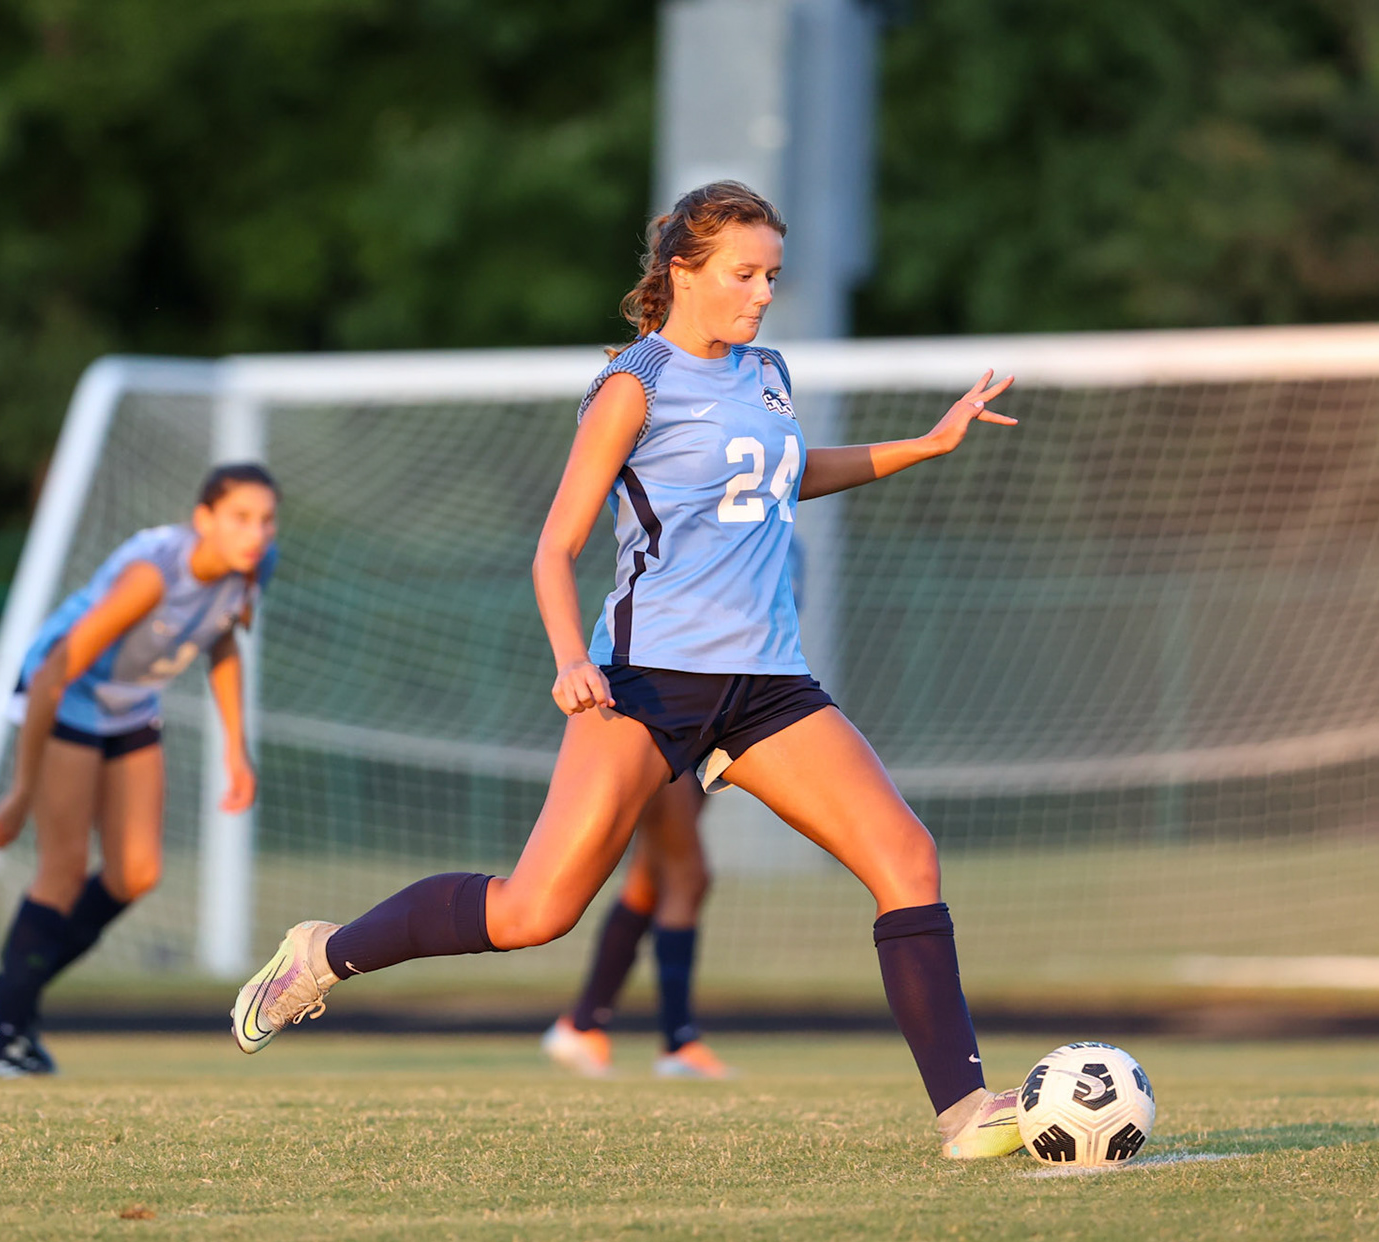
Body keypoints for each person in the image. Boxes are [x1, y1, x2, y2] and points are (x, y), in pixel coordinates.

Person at [231, 181, 1024, 1159]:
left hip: (768, 683)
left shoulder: (766, 370)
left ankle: (966, 1111)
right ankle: (324, 953)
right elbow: (553, 547)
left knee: (906, 858)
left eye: (773, 274)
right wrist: (572, 659)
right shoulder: (634, 382)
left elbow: (781, 469)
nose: (763, 292)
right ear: (684, 270)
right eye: (745, 273)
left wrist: (925, 444)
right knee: (534, 912)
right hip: (644, 681)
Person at [0, 464, 277, 1077]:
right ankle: (2, 1042)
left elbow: (221, 642)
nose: (256, 533)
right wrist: (20, 794)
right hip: (65, 694)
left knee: (136, 873)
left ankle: (7, 990)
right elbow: (56, 670)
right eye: (241, 518)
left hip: (131, 705)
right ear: (203, 520)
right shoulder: (150, 577)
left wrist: (236, 751)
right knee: (61, 872)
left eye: (267, 520)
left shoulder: (253, 568)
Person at [541, 773, 734, 1080]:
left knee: (648, 882)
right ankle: (679, 1042)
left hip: (699, 743)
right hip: (672, 737)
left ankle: (583, 1025)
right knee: (687, 877)